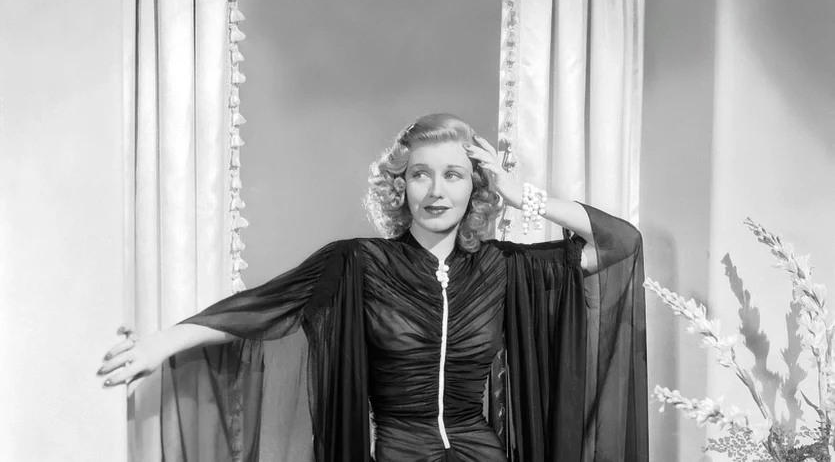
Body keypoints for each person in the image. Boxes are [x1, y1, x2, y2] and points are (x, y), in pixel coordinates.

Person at [97, 113, 648, 462]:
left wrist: (520, 192)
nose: (436, 191)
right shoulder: (358, 262)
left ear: (475, 187)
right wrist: (160, 343)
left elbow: (621, 242)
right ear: (400, 186)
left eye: (454, 174)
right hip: (398, 451)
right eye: (420, 174)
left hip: (481, 452)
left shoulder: (505, 268)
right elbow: (262, 308)